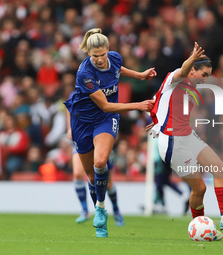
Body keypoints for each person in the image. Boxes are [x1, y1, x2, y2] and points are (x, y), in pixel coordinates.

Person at [64, 28, 156, 238]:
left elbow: (117, 70)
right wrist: (138, 105)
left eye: (102, 54)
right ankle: (99, 208)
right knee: (90, 175)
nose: (99, 59)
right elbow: (105, 105)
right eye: (94, 56)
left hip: (105, 120)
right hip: (82, 121)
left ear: (108, 50)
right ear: (89, 54)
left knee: (100, 162)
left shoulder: (114, 58)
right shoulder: (85, 74)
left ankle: (101, 209)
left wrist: (140, 75)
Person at [147, 42, 223, 241]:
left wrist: (157, 120)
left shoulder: (193, 89)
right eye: (204, 74)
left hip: (188, 135)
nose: (206, 78)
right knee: (199, 188)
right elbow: (181, 71)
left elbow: (162, 104)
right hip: (172, 142)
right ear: (193, 70)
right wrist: (191, 58)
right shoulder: (176, 78)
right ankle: (199, 227)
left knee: (219, 168)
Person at [66, 112, 125, 226]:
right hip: (82, 137)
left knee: (108, 183)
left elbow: (110, 110)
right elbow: (69, 111)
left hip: (100, 138)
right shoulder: (76, 97)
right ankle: (85, 210)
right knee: (78, 174)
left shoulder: (102, 96)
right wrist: (70, 128)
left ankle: (116, 210)